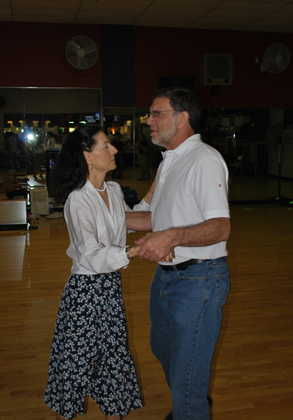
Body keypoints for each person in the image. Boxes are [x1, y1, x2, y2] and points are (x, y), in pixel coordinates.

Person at [126, 87, 231, 420]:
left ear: (183, 118)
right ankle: (191, 402)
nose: (149, 121)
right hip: (166, 279)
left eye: (157, 114)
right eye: (149, 114)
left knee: (186, 383)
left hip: (199, 280)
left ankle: (190, 406)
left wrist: (171, 236)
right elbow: (153, 218)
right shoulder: (170, 161)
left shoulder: (204, 160)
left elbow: (221, 227)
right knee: (164, 349)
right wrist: (95, 216)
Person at [44, 124, 152, 420]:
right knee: (75, 370)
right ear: (87, 156)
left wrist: (160, 182)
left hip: (110, 292)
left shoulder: (114, 190)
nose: (114, 149)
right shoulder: (79, 199)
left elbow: (129, 220)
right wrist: (134, 251)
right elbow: (90, 256)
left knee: (113, 365)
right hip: (85, 295)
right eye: (106, 146)